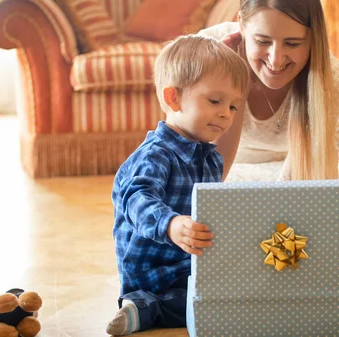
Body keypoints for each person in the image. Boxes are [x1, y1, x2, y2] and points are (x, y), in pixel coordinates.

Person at [105, 34, 249, 335]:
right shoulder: (155, 155)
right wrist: (170, 224)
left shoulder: (210, 158)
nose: (226, 113)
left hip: (191, 266)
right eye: (215, 101)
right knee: (201, 303)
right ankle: (143, 310)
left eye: (233, 107)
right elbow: (135, 198)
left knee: (243, 289)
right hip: (154, 275)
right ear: (173, 98)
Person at [199, 0, 339, 181]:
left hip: (289, 176)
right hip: (217, 174)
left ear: (313, 38)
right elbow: (206, 178)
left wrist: (273, 203)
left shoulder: (326, 74)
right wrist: (233, 83)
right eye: (263, 41)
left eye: (292, 43)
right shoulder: (205, 53)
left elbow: (305, 176)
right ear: (241, 25)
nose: (276, 61)